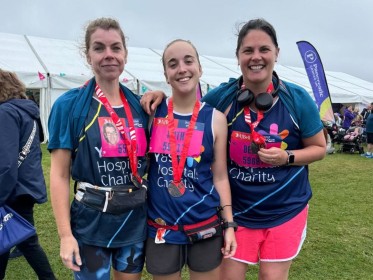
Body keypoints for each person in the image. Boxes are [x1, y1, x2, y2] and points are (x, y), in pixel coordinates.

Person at [141, 18, 326, 280]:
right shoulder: (223, 97)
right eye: (248, 51)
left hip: (286, 210)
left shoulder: (297, 99)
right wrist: (159, 96)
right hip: (238, 212)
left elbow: (319, 148)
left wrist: (288, 157)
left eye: (264, 49)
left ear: (276, 53)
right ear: (238, 56)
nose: (256, 57)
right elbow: (187, 104)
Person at [48, 18, 150, 280]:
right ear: (88, 55)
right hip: (90, 222)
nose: (109, 55)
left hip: (133, 220)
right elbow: (59, 175)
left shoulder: (141, 106)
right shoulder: (69, 106)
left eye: (115, 48)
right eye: (99, 48)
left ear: (125, 54)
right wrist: (64, 235)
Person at [145, 39, 236, 280]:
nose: (182, 69)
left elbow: (220, 177)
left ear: (200, 67)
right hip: (162, 227)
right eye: (172, 64)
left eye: (188, 60)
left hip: (204, 226)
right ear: (166, 75)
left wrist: (229, 226)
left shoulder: (216, 119)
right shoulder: (153, 112)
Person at [0, 69, 56, 279]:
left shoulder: (6, 112)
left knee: (26, 241)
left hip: (12, 188)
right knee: (10, 234)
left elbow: (5, 163)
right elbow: (38, 140)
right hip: (27, 183)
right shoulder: (28, 110)